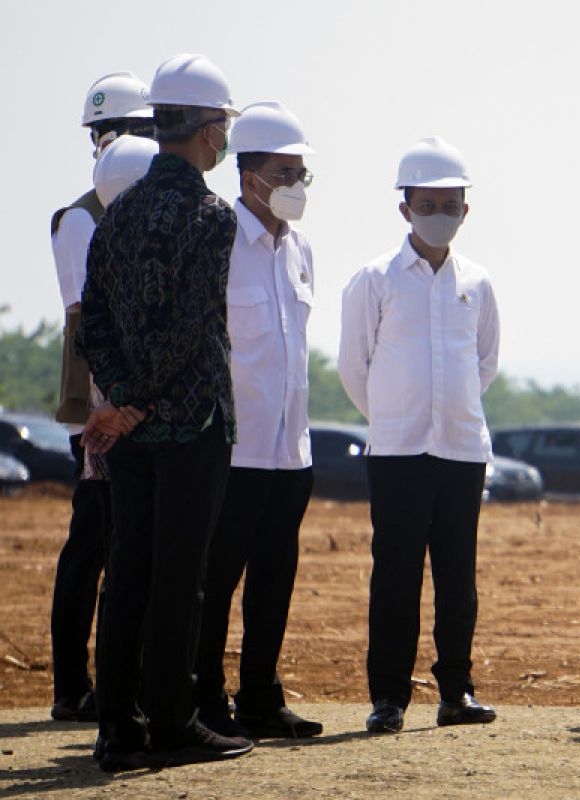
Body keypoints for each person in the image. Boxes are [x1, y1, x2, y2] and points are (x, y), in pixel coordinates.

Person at [78, 53, 253, 772]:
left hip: (133, 430)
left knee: (128, 570)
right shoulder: (212, 216)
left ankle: (119, 727)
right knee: (181, 576)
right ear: (209, 131)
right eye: (223, 129)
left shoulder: (115, 216)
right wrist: (143, 402)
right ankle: (174, 723)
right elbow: (189, 330)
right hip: (189, 425)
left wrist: (119, 405)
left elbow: (94, 326)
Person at [338, 136, 500, 734]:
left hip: (461, 451)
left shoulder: (478, 282)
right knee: (396, 575)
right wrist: (393, 416)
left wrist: (449, 411)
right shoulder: (374, 279)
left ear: (466, 208)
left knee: (459, 576)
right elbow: (354, 367)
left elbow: (484, 363)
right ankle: (388, 698)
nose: (439, 215)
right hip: (399, 453)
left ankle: (456, 691)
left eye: (449, 204)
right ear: (403, 208)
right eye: (426, 204)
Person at [193, 101, 322, 741]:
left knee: (274, 580)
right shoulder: (217, 240)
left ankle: (261, 699)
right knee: (215, 584)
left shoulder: (300, 250)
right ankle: (205, 701)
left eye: (304, 173)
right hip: (233, 451)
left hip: (290, 452)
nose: (298, 186)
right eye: (286, 172)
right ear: (250, 178)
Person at [48, 71, 155, 724]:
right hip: (100, 410)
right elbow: (87, 321)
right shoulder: (80, 219)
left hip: (130, 408)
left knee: (118, 543)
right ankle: (72, 686)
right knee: (95, 544)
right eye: (110, 133)